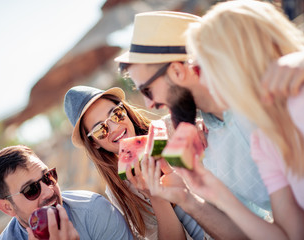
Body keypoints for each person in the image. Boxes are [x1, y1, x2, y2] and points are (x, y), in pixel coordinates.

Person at [115, 10, 270, 239]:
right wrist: (188, 199)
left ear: (177, 71)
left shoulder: (263, 99)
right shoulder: (207, 145)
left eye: (147, 90)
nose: (150, 105)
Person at [170, 0, 304, 239]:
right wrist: (217, 194)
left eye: (204, 68)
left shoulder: (303, 98)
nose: (202, 82)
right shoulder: (263, 139)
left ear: (235, 58)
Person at [64, 85, 204, 240]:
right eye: (100, 129)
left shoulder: (170, 128)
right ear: (94, 143)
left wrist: (202, 127)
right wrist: (154, 197)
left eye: (116, 114)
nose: (115, 127)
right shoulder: (119, 192)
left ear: (125, 110)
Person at [0, 145, 134, 240]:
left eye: (48, 177)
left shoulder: (94, 211)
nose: (49, 192)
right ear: (7, 207)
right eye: (31, 190)